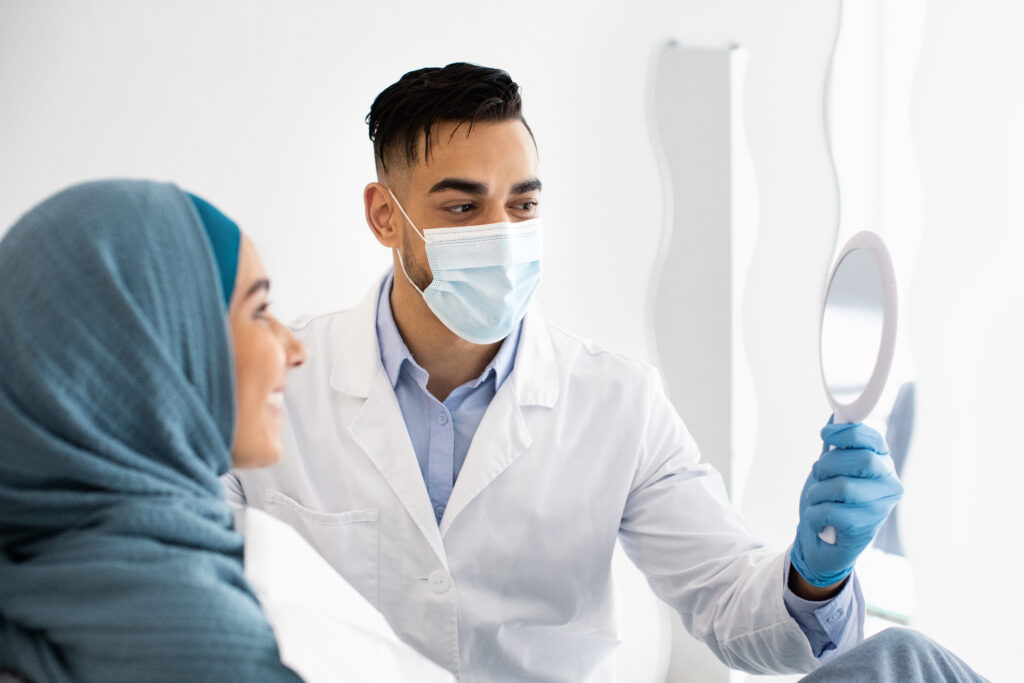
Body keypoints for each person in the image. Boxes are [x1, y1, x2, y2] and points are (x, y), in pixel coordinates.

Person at [223, 64, 985, 682]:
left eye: (522, 205)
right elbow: (196, 589)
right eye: (463, 209)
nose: (503, 234)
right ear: (386, 217)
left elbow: (730, 604)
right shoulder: (271, 384)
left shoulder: (616, 399)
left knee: (904, 664)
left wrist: (816, 571)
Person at [0, 180, 453, 683]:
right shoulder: (205, 645)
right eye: (258, 310)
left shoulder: (44, 576)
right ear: (150, 356)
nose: (293, 348)